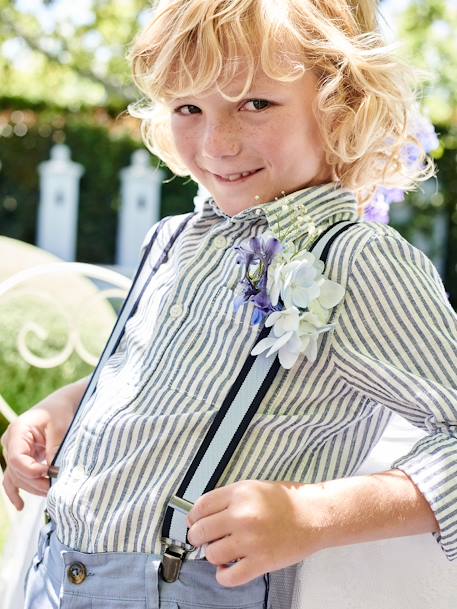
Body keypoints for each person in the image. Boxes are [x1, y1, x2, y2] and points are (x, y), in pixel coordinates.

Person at [2, 0, 456, 607]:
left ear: (340, 105)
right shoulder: (173, 239)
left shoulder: (358, 259)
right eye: (189, 108)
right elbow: (162, 381)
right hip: (57, 575)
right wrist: (67, 409)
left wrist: (311, 515)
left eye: (256, 103)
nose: (217, 141)